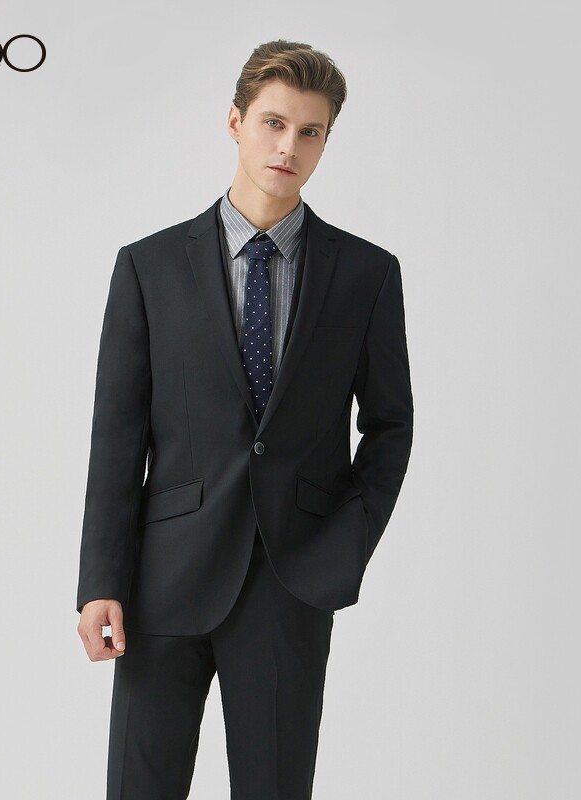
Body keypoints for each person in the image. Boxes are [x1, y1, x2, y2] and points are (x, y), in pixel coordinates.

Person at [76, 38, 414, 800]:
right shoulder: (149, 267)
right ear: (235, 122)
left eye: (310, 132)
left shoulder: (366, 274)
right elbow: (116, 437)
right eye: (273, 123)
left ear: (326, 141)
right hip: (162, 581)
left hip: (292, 578)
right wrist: (100, 580)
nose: (288, 147)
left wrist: (346, 541)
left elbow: (390, 424)